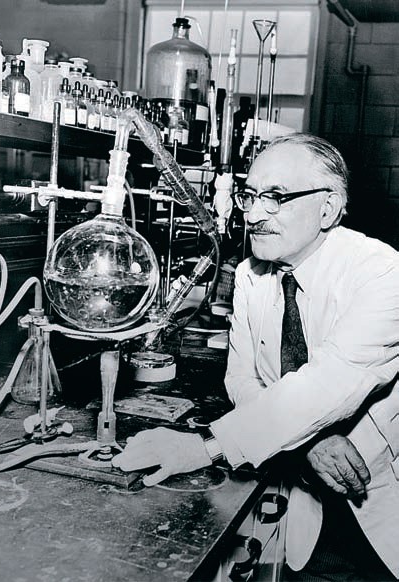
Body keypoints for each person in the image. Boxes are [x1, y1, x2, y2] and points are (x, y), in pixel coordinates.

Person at [112, 133, 399, 581]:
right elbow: (241, 380)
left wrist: (204, 447)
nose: (253, 214)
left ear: (328, 208)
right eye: (250, 196)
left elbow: (330, 384)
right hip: (310, 502)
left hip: (383, 499)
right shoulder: (251, 274)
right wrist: (308, 440)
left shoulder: (382, 273)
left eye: (276, 197)